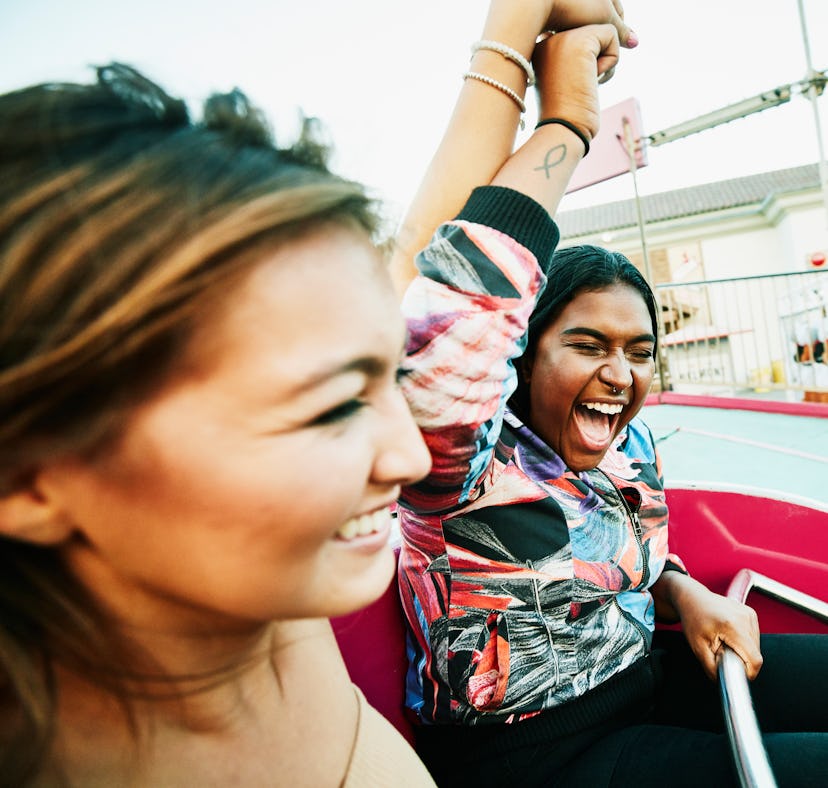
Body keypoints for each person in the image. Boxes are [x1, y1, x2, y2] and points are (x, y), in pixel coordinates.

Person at [391, 2, 828, 786]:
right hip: (544, 758)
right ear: (523, 358)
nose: (620, 374)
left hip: (646, 680)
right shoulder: (455, 476)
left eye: (638, 351)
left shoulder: (626, 443)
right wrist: (566, 123)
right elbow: (453, 329)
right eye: (588, 346)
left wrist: (683, 588)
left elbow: (619, 547)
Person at [0, 62, 439, 786]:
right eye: (333, 407)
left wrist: (542, 78)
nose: (410, 458)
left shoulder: (264, 608)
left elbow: (445, 234)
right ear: (27, 479)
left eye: (398, 376)